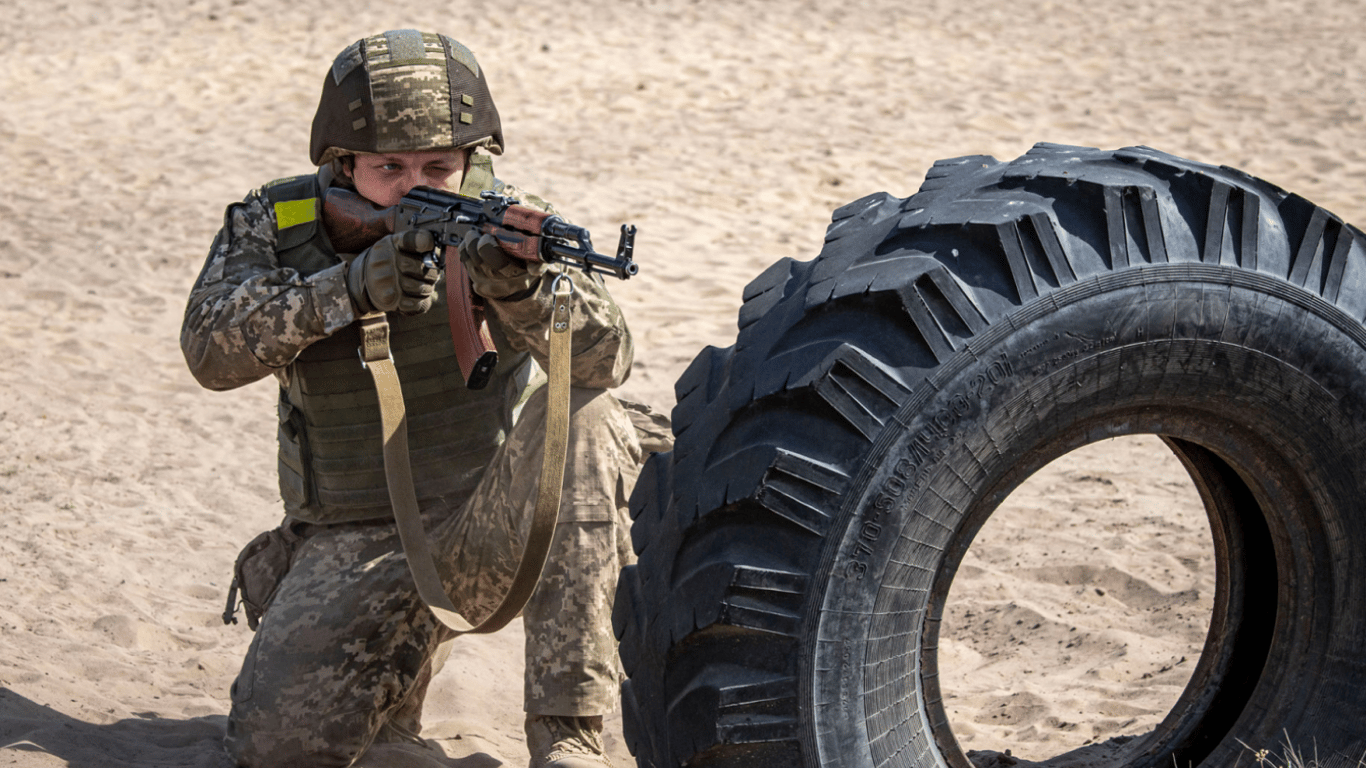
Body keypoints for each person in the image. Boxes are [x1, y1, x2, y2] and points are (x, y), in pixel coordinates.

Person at [181, 29, 641, 768]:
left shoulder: (508, 218)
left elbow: (607, 358)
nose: (413, 184)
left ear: (473, 158)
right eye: (387, 167)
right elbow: (209, 350)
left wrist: (517, 288)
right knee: (276, 751)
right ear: (342, 162)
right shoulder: (281, 221)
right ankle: (396, 690)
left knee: (589, 419)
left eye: (439, 165)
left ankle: (568, 732)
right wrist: (346, 291)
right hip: (355, 538)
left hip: (485, 529)